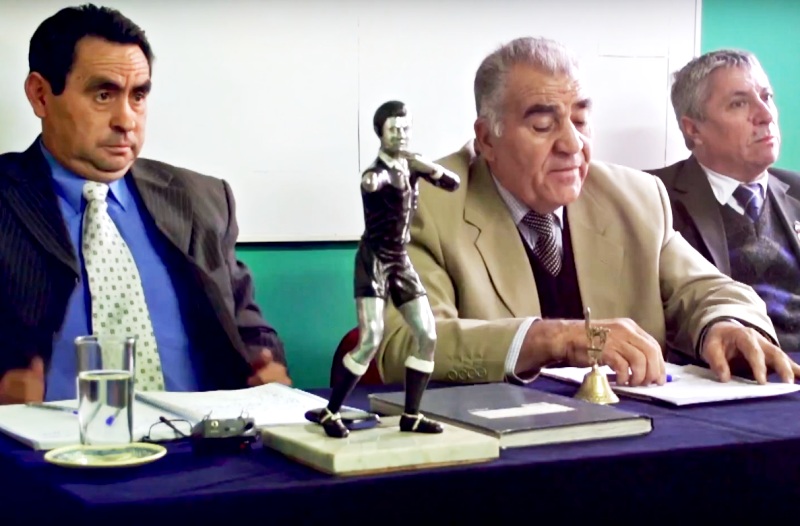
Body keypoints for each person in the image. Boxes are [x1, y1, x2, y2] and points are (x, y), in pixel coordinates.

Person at [375, 37, 800, 388]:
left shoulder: (634, 197)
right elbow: (404, 344)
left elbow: (711, 291)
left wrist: (723, 325)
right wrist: (557, 338)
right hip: (497, 440)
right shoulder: (425, 204)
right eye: (543, 126)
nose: (572, 145)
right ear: (487, 140)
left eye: (580, 121)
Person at [0, 4, 290, 404]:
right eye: (103, 95)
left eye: (137, 96)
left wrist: (265, 364)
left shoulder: (201, 200)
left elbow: (247, 327)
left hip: (198, 436)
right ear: (41, 95)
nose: (126, 120)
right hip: (43, 439)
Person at [307, 101, 460, 438]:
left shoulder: (412, 166)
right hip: (373, 258)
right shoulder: (376, 173)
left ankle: (412, 415)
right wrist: (379, 178)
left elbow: (453, 184)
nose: (400, 135)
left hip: (400, 259)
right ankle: (332, 412)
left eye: (405, 128)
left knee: (427, 335)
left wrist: (425, 166)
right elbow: (371, 184)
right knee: (371, 338)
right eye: (393, 129)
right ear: (380, 132)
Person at [646, 49, 800, 354]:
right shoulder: (651, 197)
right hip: (733, 366)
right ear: (693, 129)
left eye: (766, 97)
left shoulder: (797, 190)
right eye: (739, 103)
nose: (766, 115)